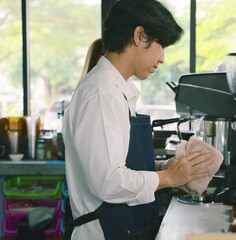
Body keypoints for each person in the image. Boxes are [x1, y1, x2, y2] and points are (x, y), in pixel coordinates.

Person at [63, 1, 213, 239]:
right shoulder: (101, 94)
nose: (162, 58)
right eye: (161, 45)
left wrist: (166, 168)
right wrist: (167, 178)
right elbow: (107, 181)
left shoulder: (116, 90)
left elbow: (118, 164)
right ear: (140, 36)